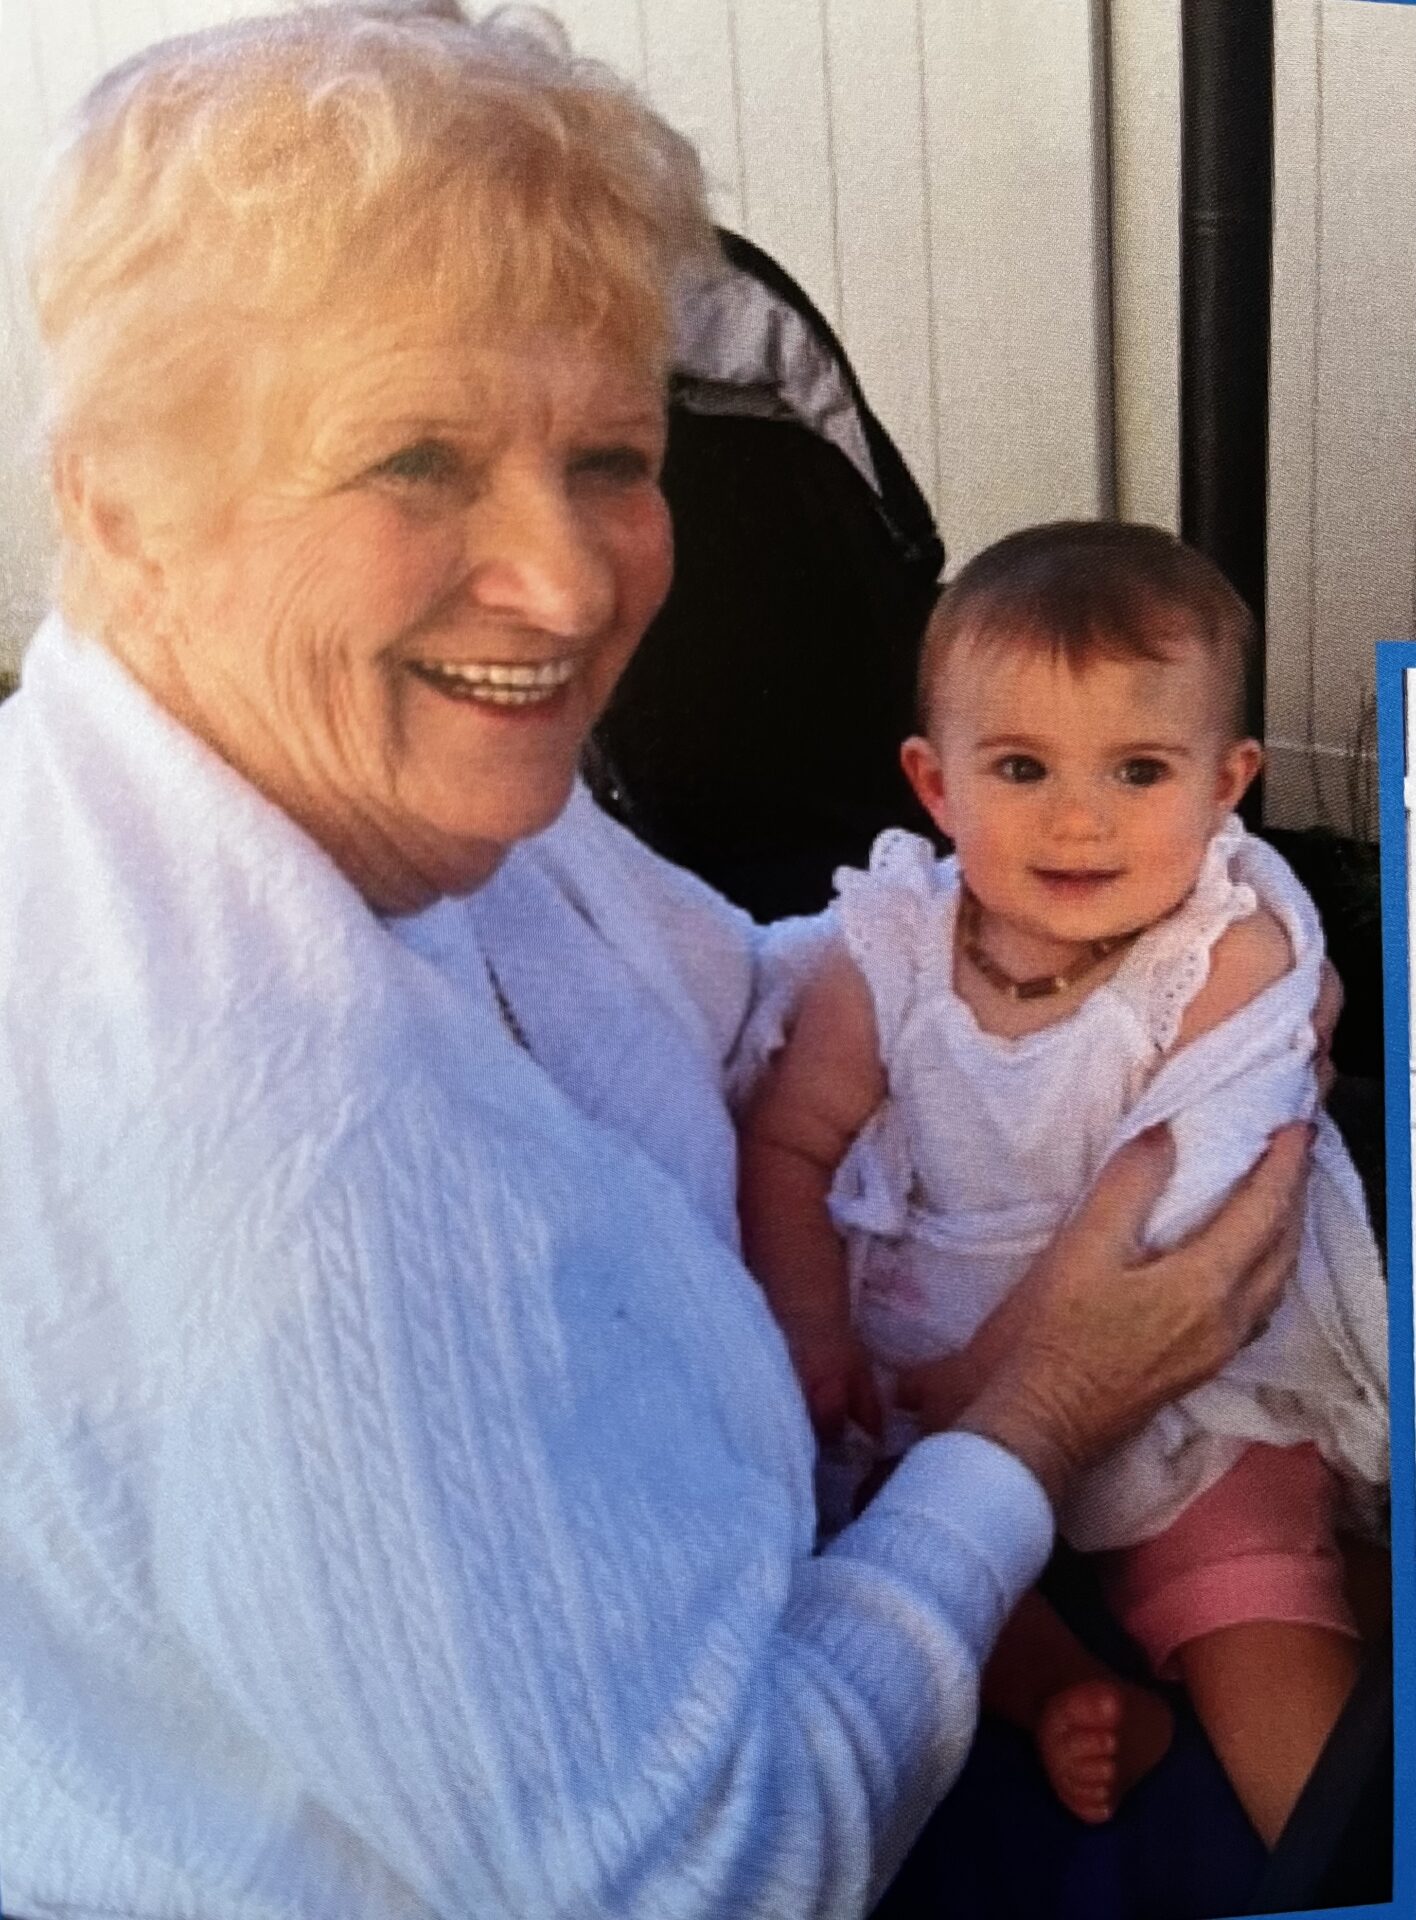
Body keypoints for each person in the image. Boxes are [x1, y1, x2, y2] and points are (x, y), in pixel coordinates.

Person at [0, 8, 1310, 1915]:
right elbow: (707, 1872)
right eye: (418, 458)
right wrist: (1043, 1413)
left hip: (803, 1510)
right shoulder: (281, 1170)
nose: (569, 573)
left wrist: (1128, 954)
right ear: (122, 496)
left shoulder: (319, 793)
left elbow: (718, 991)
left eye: (612, 451)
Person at [739, 522, 1388, 1851]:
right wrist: (810, 1332)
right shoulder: (895, 950)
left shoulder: (1226, 955)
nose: (1079, 816)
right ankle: (1064, 1698)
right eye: (1022, 766)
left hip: (1186, 1377)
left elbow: (1194, 1194)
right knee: (862, 1534)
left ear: (1228, 785)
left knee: (1249, 1569)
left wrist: (993, 1369)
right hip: (926, 1391)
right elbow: (790, 1147)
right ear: (936, 784)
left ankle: (1333, 1834)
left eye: (1140, 769)